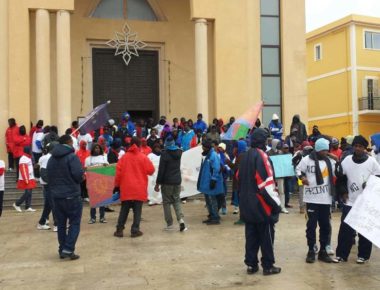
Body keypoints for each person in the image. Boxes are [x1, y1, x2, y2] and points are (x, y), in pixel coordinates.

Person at [238, 128, 282, 275]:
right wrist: (276, 204)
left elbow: (238, 176)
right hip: (261, 205)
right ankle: (268, 266)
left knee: (251, 236)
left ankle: (251, 265)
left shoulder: (244, 156)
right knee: (266, 236)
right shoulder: (262, 156)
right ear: (263, 142)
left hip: (246, 203)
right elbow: (266, 184)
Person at [334, 135, 380, 264]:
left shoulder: (371, 162)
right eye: (356, 146)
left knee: (364, 229)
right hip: (350, 200)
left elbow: (378, 178)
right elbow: (341, 178)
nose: (357, 148)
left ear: (365, 148)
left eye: (360, 146)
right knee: (346, 229)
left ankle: (363, 255)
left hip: (365, 202)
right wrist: (343, 192)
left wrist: (370, 184)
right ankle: (342, 255)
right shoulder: (347, 160)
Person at [296, 138, 336, 263]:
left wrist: (336, 159)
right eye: (323, 150)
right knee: (311, 226)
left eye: (327, 150)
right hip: (311, 199)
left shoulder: (329, 162)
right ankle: (311, 250)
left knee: (325, 226)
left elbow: (338, 172)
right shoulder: (306, 160)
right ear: (318, 149)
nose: (326, 152)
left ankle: (323, 251)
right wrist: (302, 177)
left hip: (325, 199)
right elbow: (298, 170)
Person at [47, 134, 84, 260]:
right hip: (72, 195)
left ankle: (62, 248)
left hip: (56, 196)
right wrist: (82, 176)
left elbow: (48, 177)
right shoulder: (71, 157)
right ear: (69, 142)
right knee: (74, 223)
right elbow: (78, 175)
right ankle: (68, 249)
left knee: (61, 224)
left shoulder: (51, 159)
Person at [113, 137, 155, 238]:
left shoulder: (124, 158)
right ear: (140, 144)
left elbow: (118, 174)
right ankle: (135, 230)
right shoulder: (143, 157)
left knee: (124, 210)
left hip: (126, 188)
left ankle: (119, 230)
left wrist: (117, 185)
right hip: (139, 188)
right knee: (137, 211)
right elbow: (151, 170)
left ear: (130, 144)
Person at [155, 136, 187, 232]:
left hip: (167, 182)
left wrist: (157, 183)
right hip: (177, 181)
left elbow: (161, 170)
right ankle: (181, 221)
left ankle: (169, 224)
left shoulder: (164, 154)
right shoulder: (179, 152)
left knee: (167, 202)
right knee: (176, 200)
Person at [197, 139, 225, 225]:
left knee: (212, 200)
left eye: (203, 147)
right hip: (207, 182)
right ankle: (212, 215)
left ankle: (215, 217)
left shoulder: (213, 155)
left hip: (211, 182)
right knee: (208, 201)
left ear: (207, 147)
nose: (202, 149)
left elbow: (216, 168)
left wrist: (213, 179)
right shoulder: (208, 155)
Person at [85, 144, 109, 224]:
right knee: (93, 200)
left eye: (98, 148)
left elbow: (108, 167)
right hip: (92, 181)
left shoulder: (104, 157)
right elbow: (86, 169)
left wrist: (106, 166)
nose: (97, 149)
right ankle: (92, 217)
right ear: (92, 149)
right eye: (95, 148)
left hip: (102, 181)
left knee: (102, 200)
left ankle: (102, 217)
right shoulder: (88, 159)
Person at [37, 141, 58, 231]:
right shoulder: (47, 158)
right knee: (54, 205)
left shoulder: (52, 157)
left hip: (50, 184)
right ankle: (57, 224)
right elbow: (43, 172)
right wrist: (51, 183)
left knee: (48, 205)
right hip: (49, 185)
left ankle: (41, 223)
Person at [13, 146, 37, 212]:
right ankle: (17, 204)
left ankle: (27, 206)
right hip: (26, 178)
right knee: (28, 193)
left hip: (30, 177)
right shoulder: (23, 158)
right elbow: (23, 169)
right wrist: (26, 179)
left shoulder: (28, 157)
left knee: (30, 193)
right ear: (27, 150)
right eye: (30, 150)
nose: (31, 151)